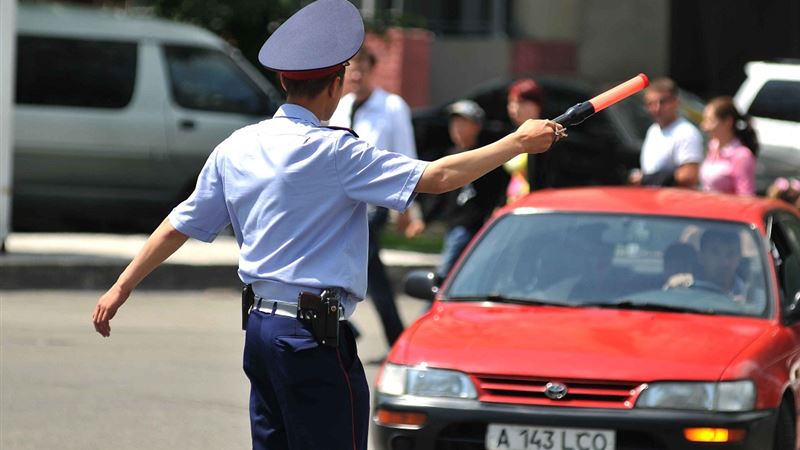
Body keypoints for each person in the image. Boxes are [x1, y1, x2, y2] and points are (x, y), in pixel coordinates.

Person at [90, 1, 564, 449]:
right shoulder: (336, 151)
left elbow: (178, 225)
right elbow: (438, 176)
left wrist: (120, 288)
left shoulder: (236, 146)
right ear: (337, 84)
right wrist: (517, 141)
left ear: (282, 79)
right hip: (309, 338)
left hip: (260, 332)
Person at [328, 47, 421, 349]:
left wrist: (407, 208)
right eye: (350, 68)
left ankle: (347, 325)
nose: (355, 75)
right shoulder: (341, 106)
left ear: (372, 70)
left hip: (375, 204)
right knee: (368, 273)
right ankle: (379, 334)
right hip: (342, 204)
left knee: (355, 265)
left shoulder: (392, 106)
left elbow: (406, 155)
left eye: (361, 68)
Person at [429, 100, 510, 282]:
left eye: (463, 122)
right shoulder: (449, 156)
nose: (457, 127)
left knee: (446, 276)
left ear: (477, 126)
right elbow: (439, 194)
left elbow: (500, 188)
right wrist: (425, 219)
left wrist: (497, 210)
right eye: (454, 122)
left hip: (474, 226)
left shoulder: (485, 156)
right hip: (453, 224)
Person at [630, 77, 703, 188]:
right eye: (651, 104)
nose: (657, 108)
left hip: (675, 202)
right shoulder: (653, 130)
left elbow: (690, 175)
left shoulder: (686, 132)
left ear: (676, 101)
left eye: (663, 102)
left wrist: (647, 178)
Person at [699, 96, 758, 195]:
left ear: (728, 122)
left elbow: (745, 196)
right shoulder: (713, 147)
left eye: (711, 121)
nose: (705, 126)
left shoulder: (742, 155)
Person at [505, 78, 546, 201]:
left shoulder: (546, 136)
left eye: (521, 102)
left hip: (534, 206)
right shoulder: (513, 134)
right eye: (511, 102)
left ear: (537, 105)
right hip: (512, 205)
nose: (514, 108)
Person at [697, 229, 746, 301]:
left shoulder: (755, 300)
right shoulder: (684, 290)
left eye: (731, 254)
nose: (724, 262)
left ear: (739, 258)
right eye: (715, 253)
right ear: (701, 257)